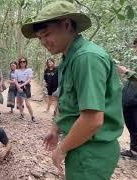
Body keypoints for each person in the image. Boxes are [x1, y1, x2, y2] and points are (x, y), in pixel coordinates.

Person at [21, 1, 124, 179]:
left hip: (92, 151)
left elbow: (92, 120)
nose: (43, 42)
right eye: (39, 38)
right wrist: (55, 129)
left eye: (46, 34)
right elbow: (68, 102)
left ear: (67, 25)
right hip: (80, 144)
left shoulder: (86, 58)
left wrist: (61, 149)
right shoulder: (69, 58)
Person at [117, 39, 137, 159]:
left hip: (134, 101)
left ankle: (135, 152)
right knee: (131, 124)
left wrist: (126, 72)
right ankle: (133, 149)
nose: (135, 50)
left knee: (134, 124)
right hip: (130, 99)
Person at [15, 57, 35, 121]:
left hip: (26, 87)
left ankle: (32, 116)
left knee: (27, 104)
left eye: (24, 61)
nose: (22, 63)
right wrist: (18, 87)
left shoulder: (29, 70)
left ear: (26, 62)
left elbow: (29, 80)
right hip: (18, 86)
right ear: (19, 63)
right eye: (21, 61)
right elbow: (15, 80)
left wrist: (22, 85)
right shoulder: (16, 70)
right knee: (19, 102)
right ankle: (21, 114)